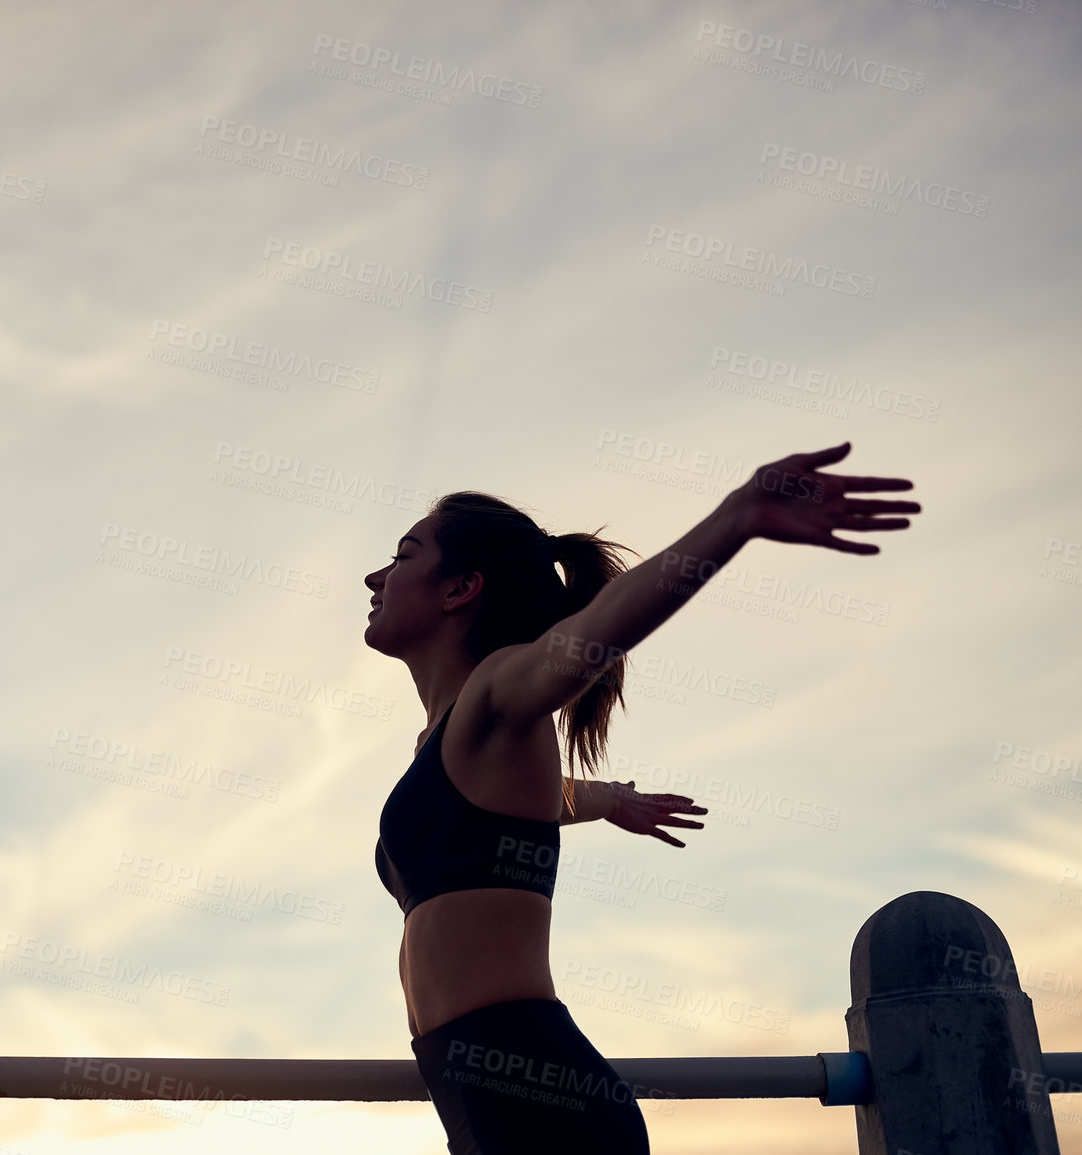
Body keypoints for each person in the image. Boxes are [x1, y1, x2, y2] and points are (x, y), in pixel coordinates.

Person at [366, 443, 919, 1153]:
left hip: (535, 1096)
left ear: (458, 588)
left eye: (404, 555)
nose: (375, 574)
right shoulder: (447, 743)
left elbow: (590, 637)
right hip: (481, 1100)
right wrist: (603, 799)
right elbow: (495, 808)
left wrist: (737, 517)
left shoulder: (498, 689)